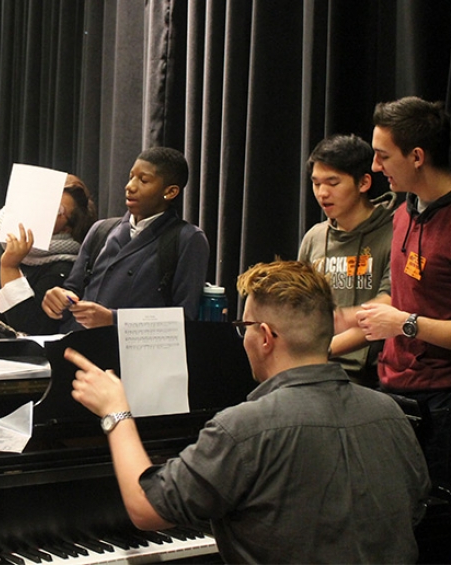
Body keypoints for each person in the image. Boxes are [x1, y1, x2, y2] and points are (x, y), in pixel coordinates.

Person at [64, 260, 430, 563]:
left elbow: (146, 509)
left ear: (266, 336)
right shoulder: (391, 413)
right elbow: (413, 509)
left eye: (244, 327)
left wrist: (116, 412)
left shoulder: (245, 428)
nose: (244, 339)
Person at [355, 96, 451, 490]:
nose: (375, 167)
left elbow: (408, 316)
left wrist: (405, 324)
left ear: (416, 156)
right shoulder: (402, 213)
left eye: (382, 156)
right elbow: (403, 295)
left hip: (443, 401)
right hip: (394, 393)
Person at [42, 147, 208, 332]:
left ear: (170, 192)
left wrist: (113, 319)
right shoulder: (101, 230)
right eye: (131, 177)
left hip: (133, 357)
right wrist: (59, 298)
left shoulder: (187, 239)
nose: (130, 186)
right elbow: (73, 289)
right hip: (76, 347)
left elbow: (183, 318)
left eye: (143, 180)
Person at [298, 134, 396, 387]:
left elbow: (389, 306)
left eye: (333, 182)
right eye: (316, 183)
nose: (322, 193)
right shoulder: (315, 238)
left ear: (363, 183)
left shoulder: (395, 230)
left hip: (375, 376)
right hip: (319, 370)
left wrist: (319, 352)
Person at [0, 174, 97, 334]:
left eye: (56, 209)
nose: (41, 209)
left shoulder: (63, 265)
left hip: (4, 350)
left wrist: (10, 267)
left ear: (66, 228)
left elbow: (31, 326)